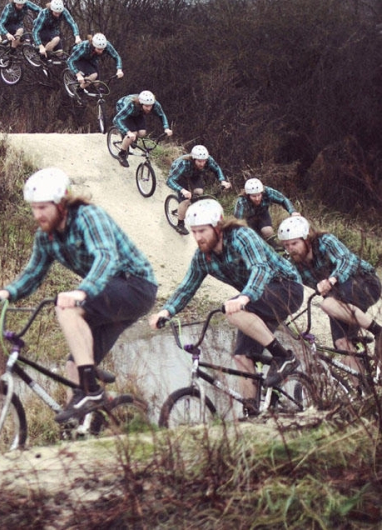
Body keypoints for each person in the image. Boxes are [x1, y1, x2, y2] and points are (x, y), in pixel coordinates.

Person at [0, 167, 158, 423]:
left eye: (43, 207)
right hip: (109, 295)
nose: (37, 214)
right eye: (33, 208)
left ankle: (91, 389)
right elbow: (32, 275)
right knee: (72, 366)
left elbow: (106, 256)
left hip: (135, 286)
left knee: (66, 308)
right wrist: (6, 292)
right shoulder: (46, 238)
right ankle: (82, 426)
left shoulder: (88, 216)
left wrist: (81, 292)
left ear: (61, 204)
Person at [148, 199, 304, 415]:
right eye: (194, 232)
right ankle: (252, 413)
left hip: (285, 288)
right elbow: (187, 287)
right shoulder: (202, 258)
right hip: (257, 302)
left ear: (217, 226)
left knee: (236, 311)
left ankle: (285, 357)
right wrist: (165, 312)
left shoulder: (241, 237)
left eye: (202, 230)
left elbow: (260, 268)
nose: (198, 237)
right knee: (242, 357)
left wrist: (244, 298)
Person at [278, 216, 382, 376]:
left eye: (294, 243)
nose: (291, 249)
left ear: (306, 239)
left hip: (364, 282)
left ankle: (378, 331)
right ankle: (363, 389)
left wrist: (332, 279)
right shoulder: (295, 264)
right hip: (340, 299)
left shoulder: (324, 242)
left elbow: (347, 260)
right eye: (286, 245)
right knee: (341, 344)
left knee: (327, 304)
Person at [165, 145, 232, 235]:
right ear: (193, 159)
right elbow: (169, 180)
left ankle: (187, 208)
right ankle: (180, 224)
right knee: (185, 200)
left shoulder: (208, 160)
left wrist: (222, 181)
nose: (202, 163)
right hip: (180, 176)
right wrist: (182, 190)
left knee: (199, 193)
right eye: (199, 161)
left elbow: (217, 169)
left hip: (194, 174)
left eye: (204, 161)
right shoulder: (183, 163)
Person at [112, 90, 172, 167]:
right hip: (123, 108)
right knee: (132, 133)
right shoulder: (131, 105)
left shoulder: (155, 104)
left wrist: (166, 128)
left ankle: (133, 139)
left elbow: (161, 115)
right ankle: (122, 154)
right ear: (141, 104)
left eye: (150, 106)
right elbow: (116, 119)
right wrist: (128, 132)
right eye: (146, 106)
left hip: (138, 112)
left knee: (142, 132)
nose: (149, 108)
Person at [234, 178, 300, 244]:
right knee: (251, 237)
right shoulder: (241, 201)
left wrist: (292, 211)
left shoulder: (268, 192)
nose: (257, 199)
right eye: (253, 196)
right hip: (248, 218)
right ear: (248, 195)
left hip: (263, 214)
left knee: (268, 232)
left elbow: (283, 199)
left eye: (259, 195)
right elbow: (238, 221)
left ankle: (272, 246)